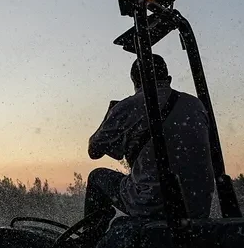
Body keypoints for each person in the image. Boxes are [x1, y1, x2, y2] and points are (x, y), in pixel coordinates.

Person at [86, 54, 216, 221]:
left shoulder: (129, 105)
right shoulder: (196, 104)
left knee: (97, 177)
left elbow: (94, 151)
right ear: (168, 78)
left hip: (153, 204)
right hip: (197, 207)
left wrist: (110, 114)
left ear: (135, 82)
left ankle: (89, 242)